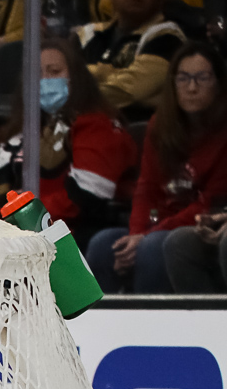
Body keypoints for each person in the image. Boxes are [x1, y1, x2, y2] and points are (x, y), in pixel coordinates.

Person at [0, 35, 135, 251]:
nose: (44, 80)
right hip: (9, 233)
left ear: (76, 78)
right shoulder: (15, 130)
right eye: (36, 74)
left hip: (65, 235)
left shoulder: (98, 126)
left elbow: (85, 197)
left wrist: (17, 221)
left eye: (54, 72)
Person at [91, 40, 227, 291]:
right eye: (183, 78)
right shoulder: (160, 125)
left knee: (152, 248)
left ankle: (147, 318)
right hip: (157, 224)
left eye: (202, 78)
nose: (192, 87)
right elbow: (146, 189)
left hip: (199, 226)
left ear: (218, 84)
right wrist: (135, 234)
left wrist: (145, 238)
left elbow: (210, 203)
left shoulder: (223, 133)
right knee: (103, 245)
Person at [77, 0, 186, 120]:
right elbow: (63, 79)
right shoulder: (87, 35)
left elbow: (127, 91)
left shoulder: (169, 38)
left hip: (139, 129)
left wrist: (82, 83)